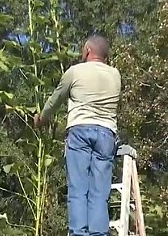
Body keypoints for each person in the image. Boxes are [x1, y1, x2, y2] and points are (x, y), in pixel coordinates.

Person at [34, 34, 121, 236]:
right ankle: (99, 233)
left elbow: (55, 100)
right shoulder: (115, 75)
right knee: (100, 192)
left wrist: (41, 119)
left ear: (88, 50)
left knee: (78, 190)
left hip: (80, 131)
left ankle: (79, 234)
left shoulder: (75, 72)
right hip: (106, 134)